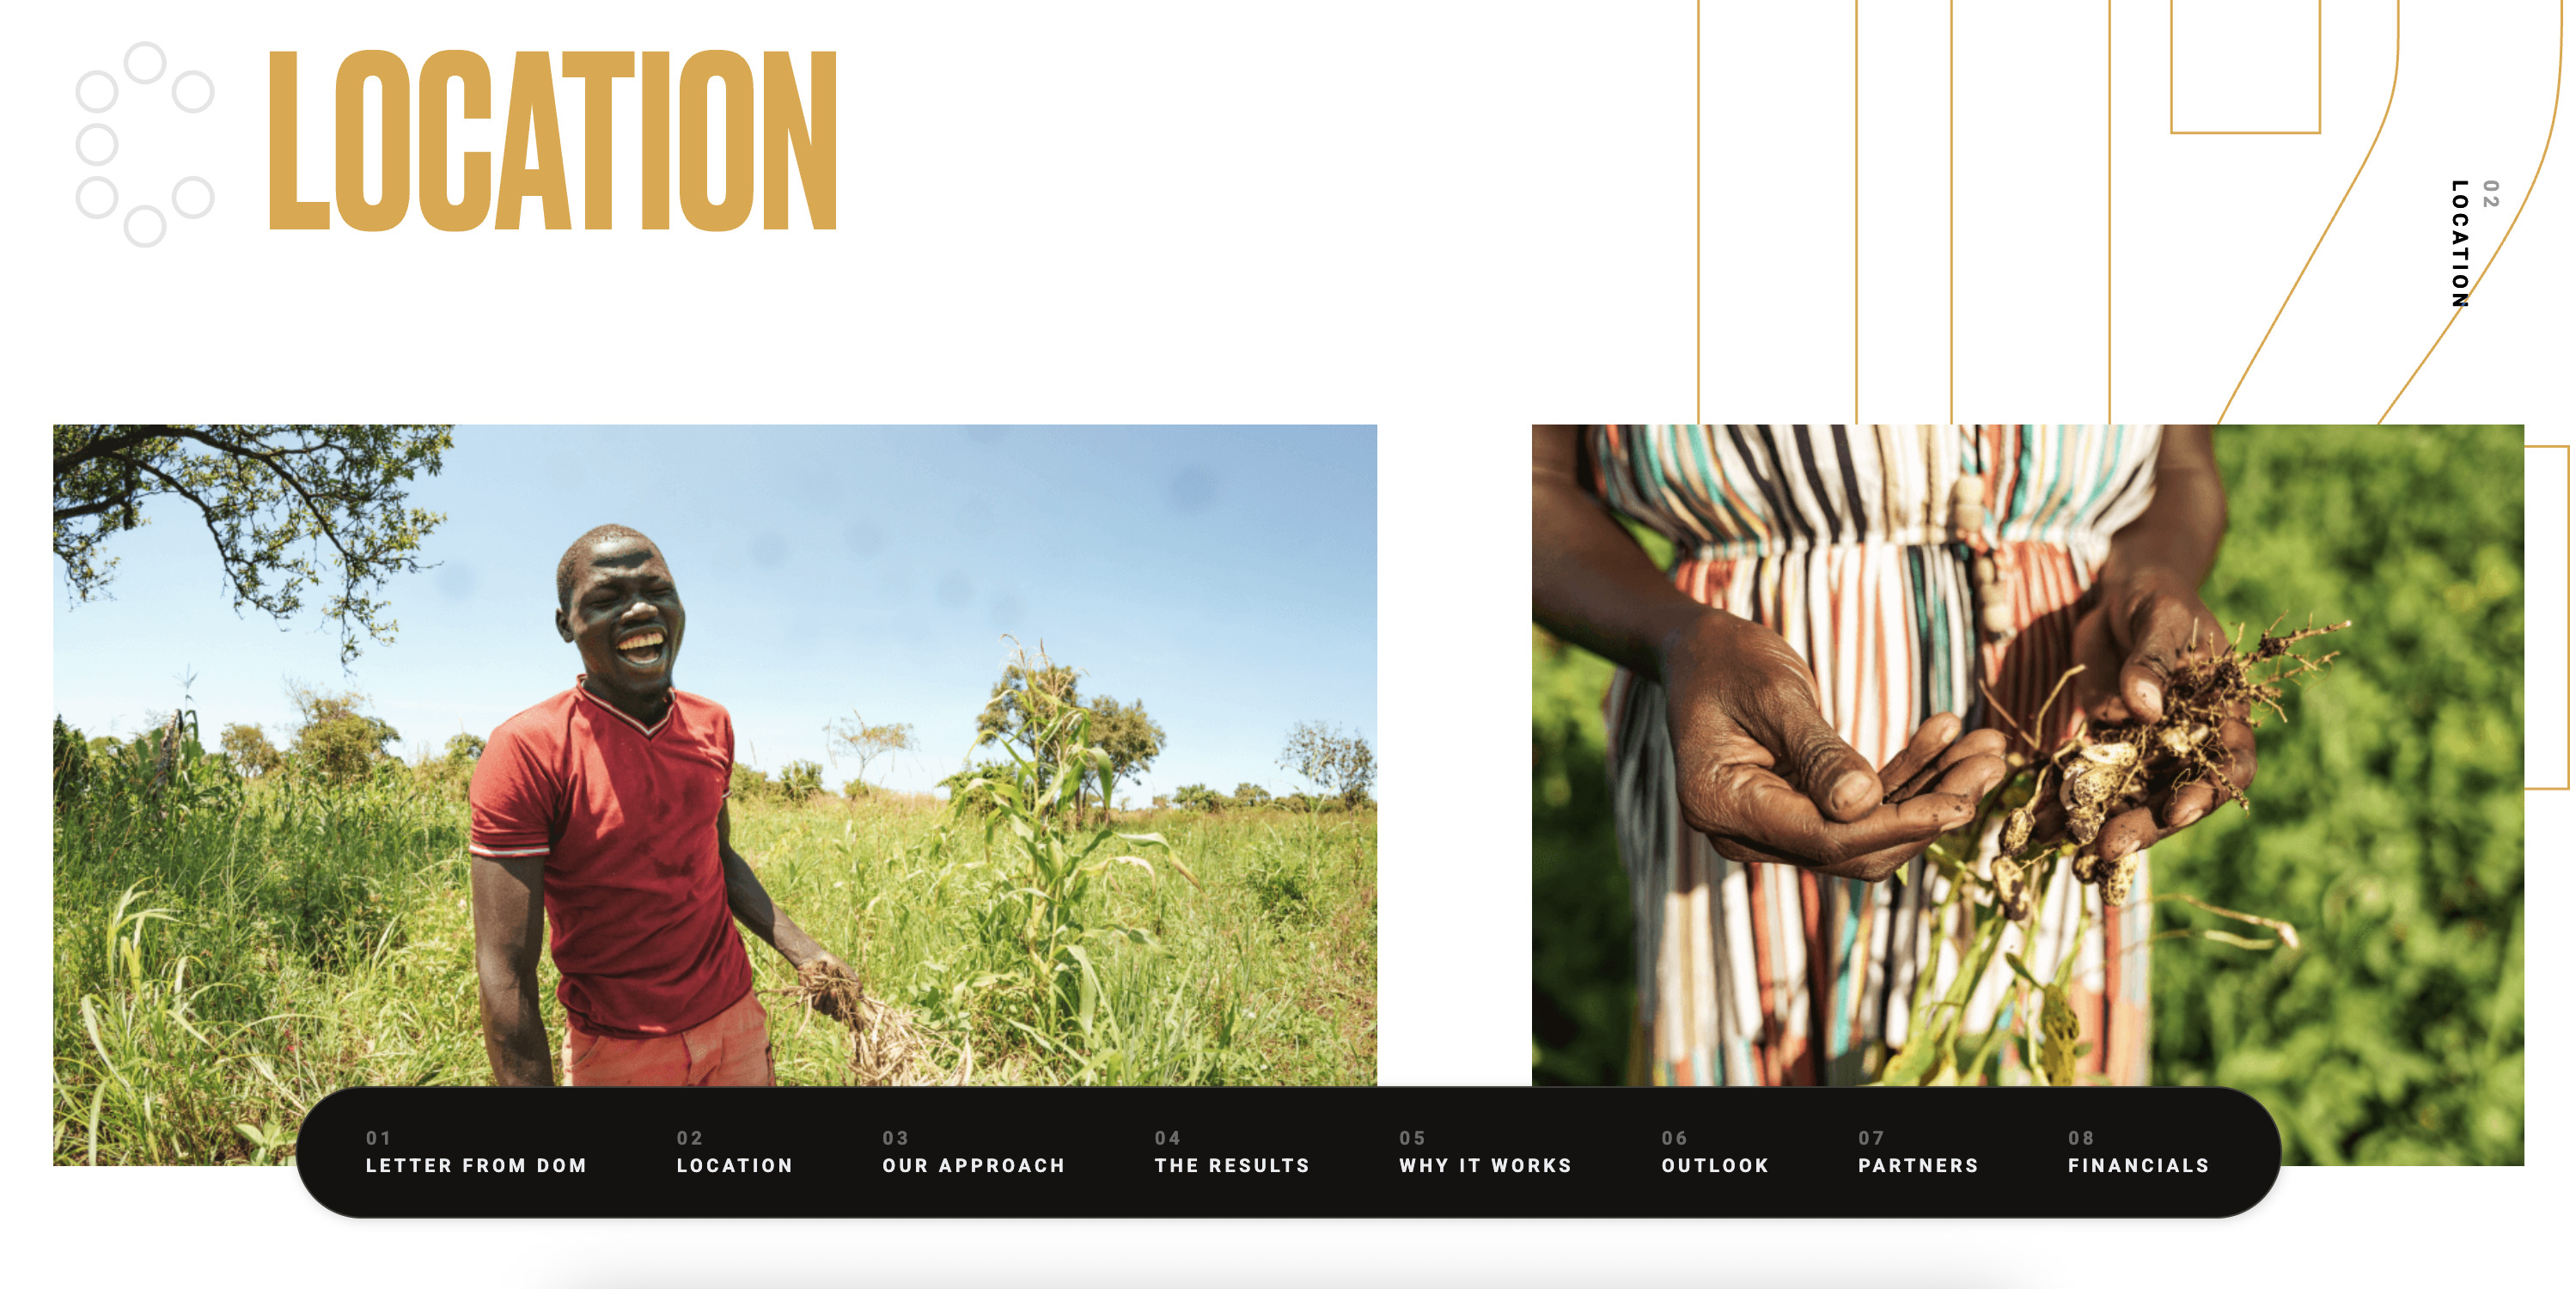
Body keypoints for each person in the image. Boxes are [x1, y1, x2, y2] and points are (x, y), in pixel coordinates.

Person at [1532, 425, 2246, 1086]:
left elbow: (2181, 463)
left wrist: (2148, 578)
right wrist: (1675, 637)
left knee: (2037, 1059)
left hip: (2073, 735)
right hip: (1750, 727)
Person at [468, 524, 858, 1086]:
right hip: (621, 1052)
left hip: (736, 1023)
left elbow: (717, 856)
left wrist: (807, 954)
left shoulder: (712, 725)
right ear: (565, 625)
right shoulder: (529, 749)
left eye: (658, 591)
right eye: (606, 600)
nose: (640, 610)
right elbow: (505, 972)